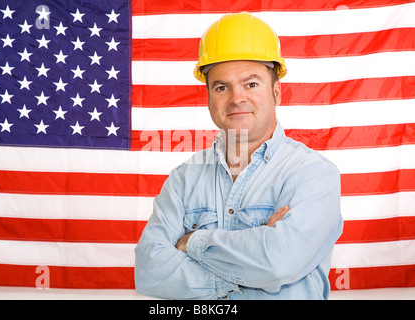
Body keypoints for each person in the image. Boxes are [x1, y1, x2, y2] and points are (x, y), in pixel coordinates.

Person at [134, 12, 343, 300]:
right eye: (222, 87)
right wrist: (251, 265)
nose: (236, 98)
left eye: (251, 84)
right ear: (208, 97)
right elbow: (149, 272)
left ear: (276, 92)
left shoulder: (313, 174)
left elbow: (279, 263)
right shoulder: (184, 179)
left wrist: (193, 243)